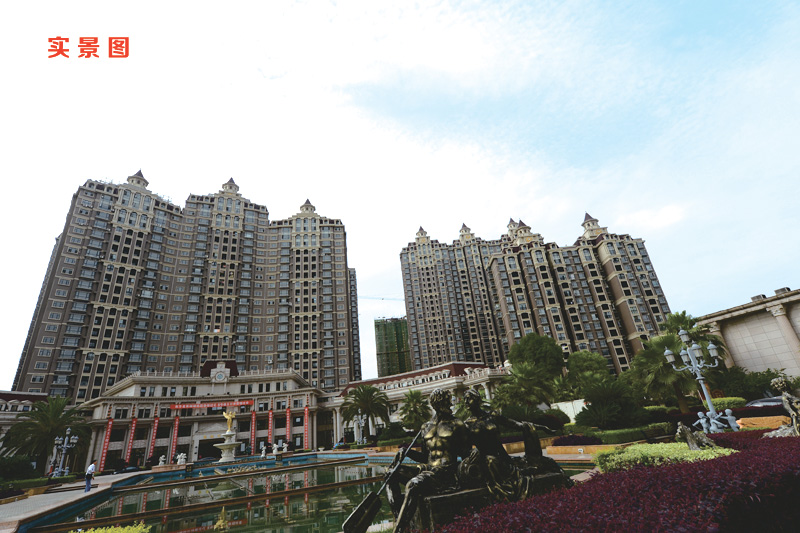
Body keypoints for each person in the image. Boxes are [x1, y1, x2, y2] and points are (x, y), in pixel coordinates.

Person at [385, 388, 471, 533]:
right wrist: (406, 451)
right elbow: (425, 457)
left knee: (413, 484)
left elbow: (466, 456)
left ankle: (399, 530)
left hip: (445, 474)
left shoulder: (457, 424)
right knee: (390, 473)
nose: (450, 404)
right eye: (447, 401)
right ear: (438, 404)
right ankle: (399, 518)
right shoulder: (426, 427)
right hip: (428, 470)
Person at [458, 389, 568, 501]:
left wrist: (542, 428)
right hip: (486, 461)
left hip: (503, 457)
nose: (466, 402)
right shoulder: (467, 424)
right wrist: (474, 451)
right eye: (465, 399)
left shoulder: (492, 415)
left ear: (478, 400)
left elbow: (518, 425)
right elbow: (464, 450)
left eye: (469, 399)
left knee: (541, 463)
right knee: (492, 462)